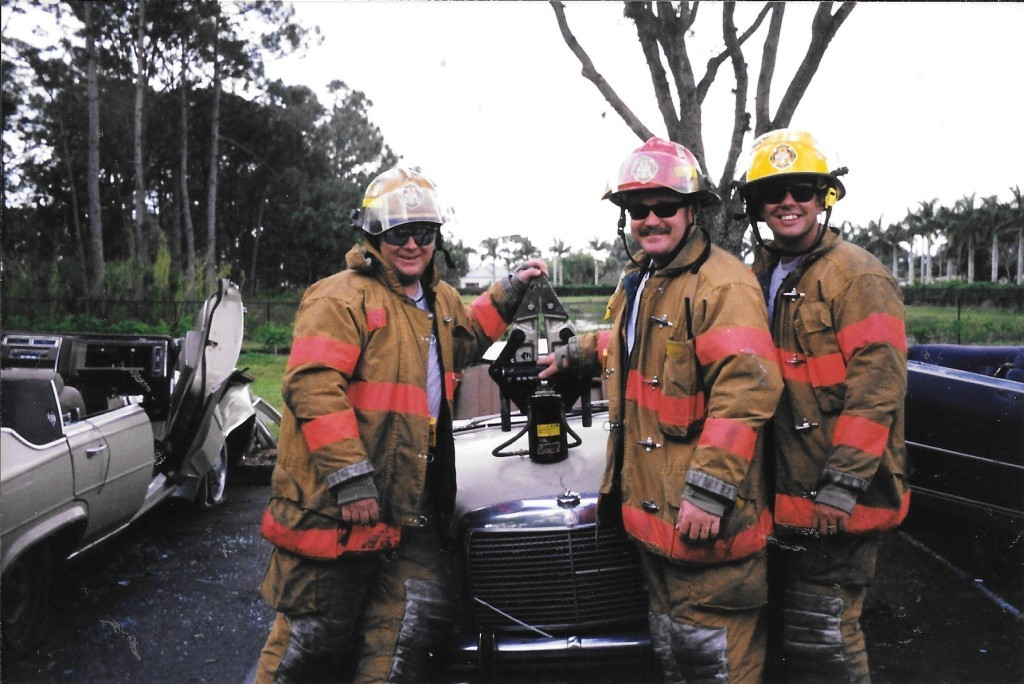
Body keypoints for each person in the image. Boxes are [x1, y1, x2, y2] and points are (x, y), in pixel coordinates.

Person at [254, 166, 547, 683]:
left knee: (402, 644)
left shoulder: (439, 301)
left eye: (424, 233)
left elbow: (470, 332)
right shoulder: (338, 297)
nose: (412, 244)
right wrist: (351, 478)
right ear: (373, 236)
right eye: (398, 234)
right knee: (309, 648)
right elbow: (312, 388)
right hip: (338, 513)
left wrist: (511, 288)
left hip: (411, 513)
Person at [539, 137, 783, 683]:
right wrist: (576, 352)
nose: (651, 219)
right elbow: (637, 349)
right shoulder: (644, 283)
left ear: (692, 211)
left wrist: (707, 492)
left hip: (705, 525)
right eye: (638, 209)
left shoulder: (722, 284)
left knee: (714, 662)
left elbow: (746, 390)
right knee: (677, 658)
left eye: (664, 206)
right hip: (658, 524)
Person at [739, 129, 909, 683]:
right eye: (774, 192)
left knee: (825, 632)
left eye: (803, 190)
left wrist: (842, 485)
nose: (788, 202)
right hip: (784, 493)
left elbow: (877, 389)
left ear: (824, 198)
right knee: (792, 633)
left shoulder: (857, 276)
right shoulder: (760, 277)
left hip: (836, 495)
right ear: (757, 206)